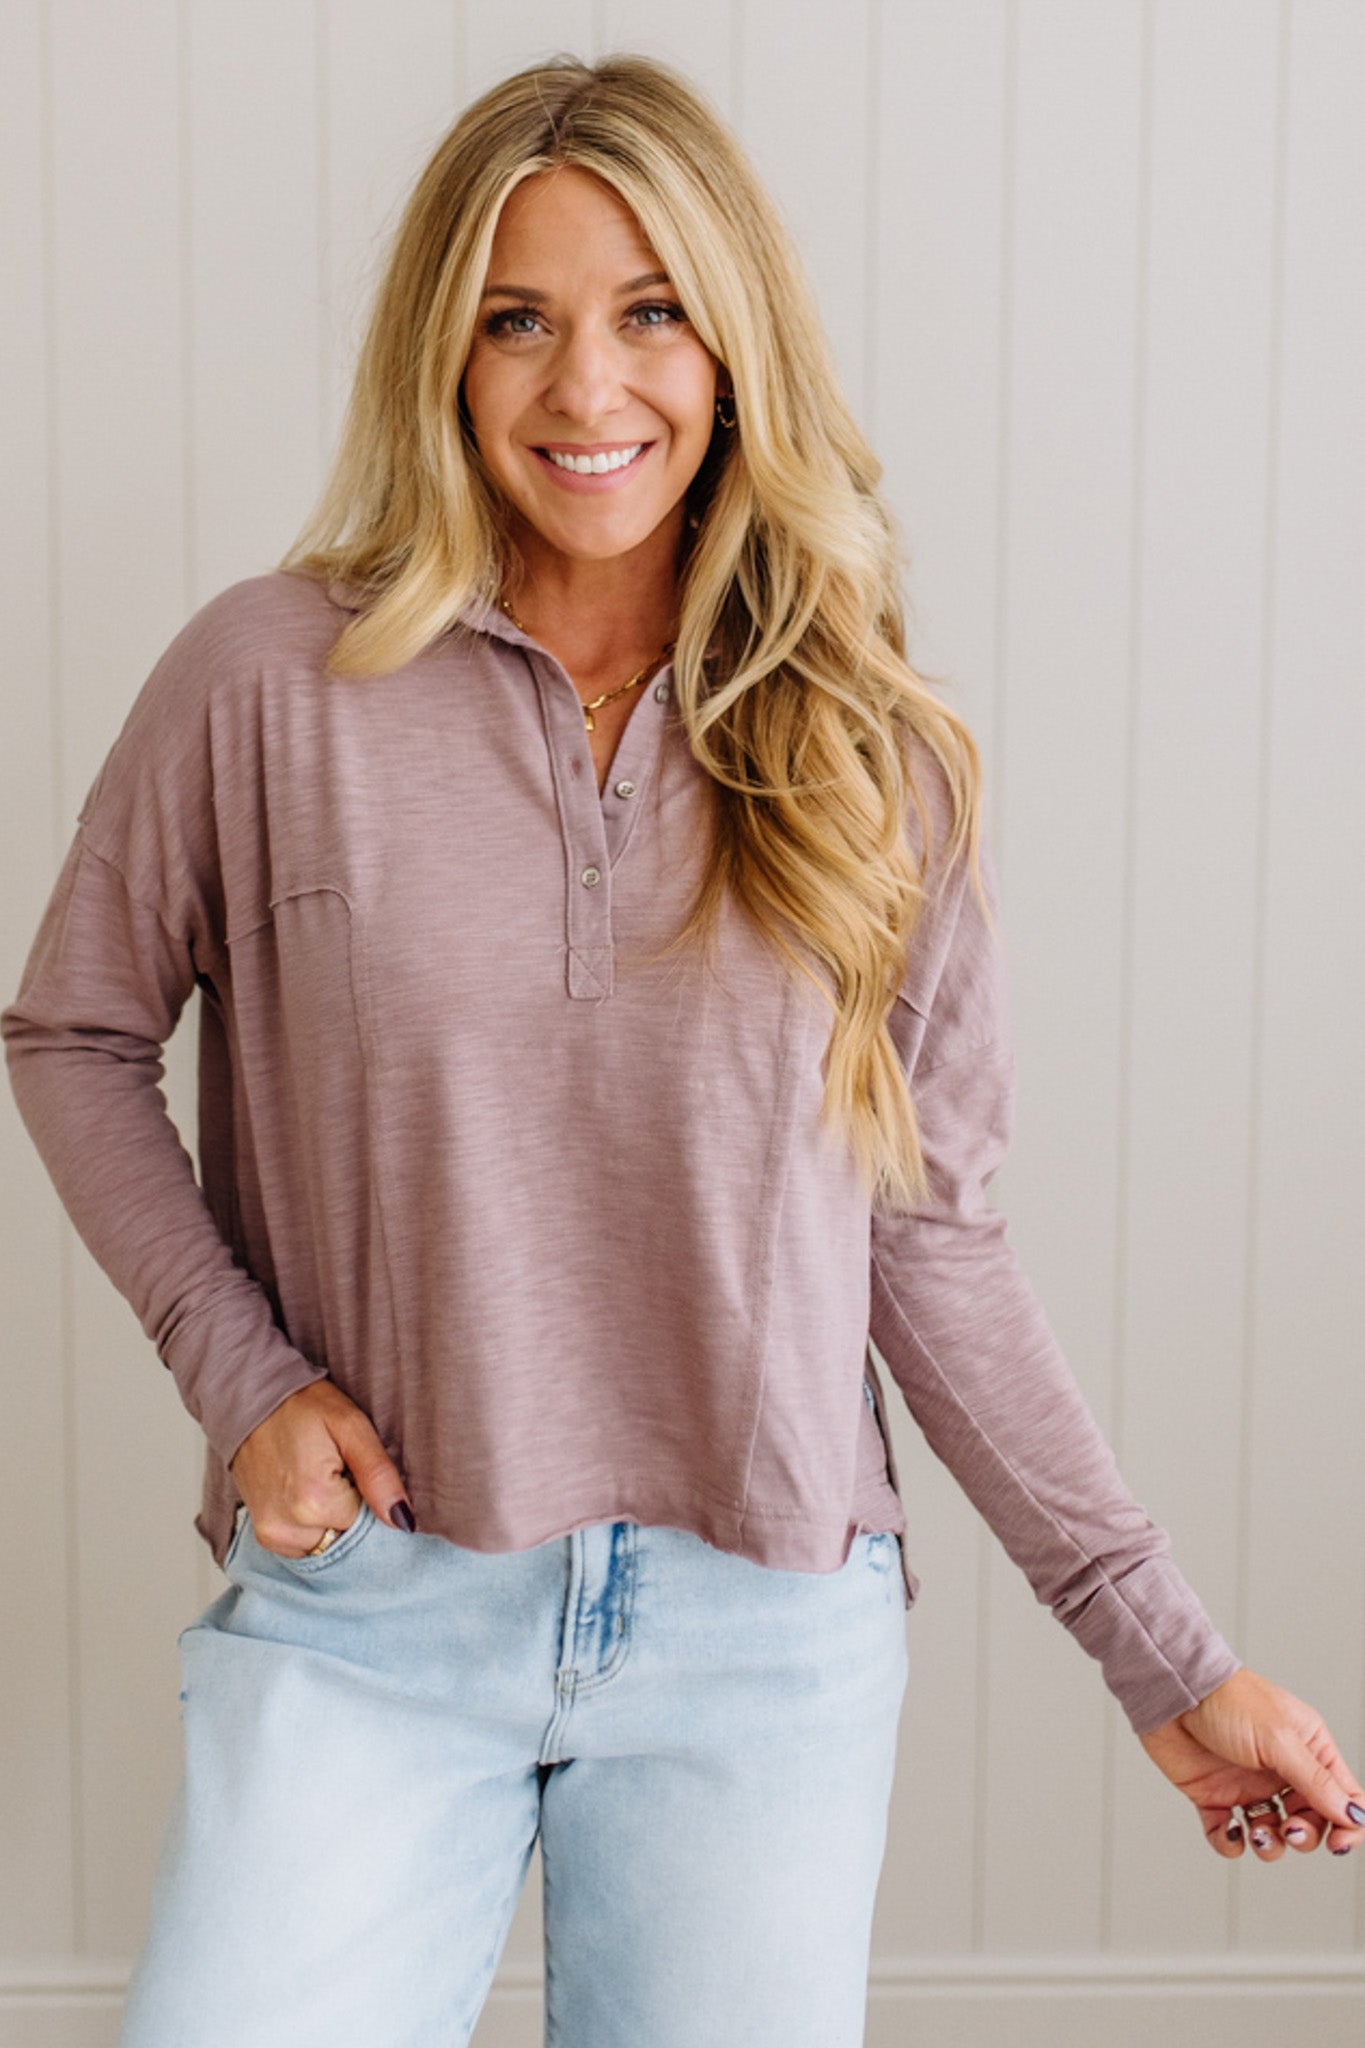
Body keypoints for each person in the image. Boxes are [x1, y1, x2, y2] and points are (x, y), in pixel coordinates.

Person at [4, 50, 1362, 2048]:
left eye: (648, 315)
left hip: (760, 1633)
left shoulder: (862, 752)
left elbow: (931, 1250)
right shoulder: (272, 683)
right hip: (373, 1606)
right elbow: (73, 1029)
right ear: (442, 356)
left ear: (731, 347)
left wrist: (1162, 1654)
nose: (585, 390)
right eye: (518, 321)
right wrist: (245, 1378)